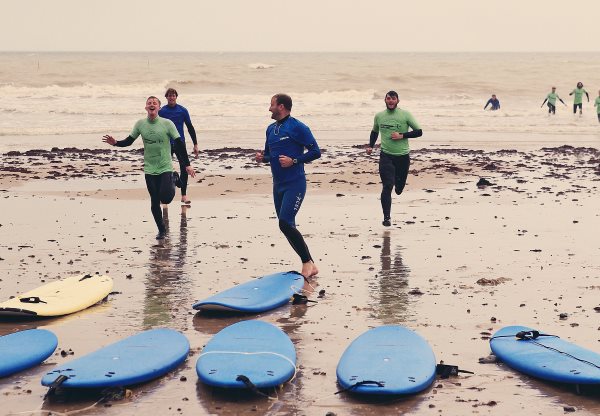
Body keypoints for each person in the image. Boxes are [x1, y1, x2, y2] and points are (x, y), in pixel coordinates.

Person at [102, 96, 195, 240]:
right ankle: (162, 230)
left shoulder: (167, 124)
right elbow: (129, 141)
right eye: (149, 103)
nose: (152, 105)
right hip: (149, 168)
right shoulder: (140, 124)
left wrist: (187, 164)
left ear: (159, 107)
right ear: (146, 107)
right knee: (154, 200)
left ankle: (174, 177)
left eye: (154, 103)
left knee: (166, 198)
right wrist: (116, 143)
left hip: (165, 166)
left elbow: (179, 144)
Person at [255, 94, 321, 279]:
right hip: (278, 185)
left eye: (271, 105)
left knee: (285, 222)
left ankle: (307, 263)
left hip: (295, 183)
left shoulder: (298, 127)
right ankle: (310, 264)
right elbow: (269, 156)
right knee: (285, 225)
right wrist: (263, 158)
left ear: (281, 107)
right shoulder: (270, 129)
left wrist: (294, 160)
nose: (269, 108)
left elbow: (316, 152)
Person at [366, 91, 423, 227]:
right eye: (388, 98)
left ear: (398, 101)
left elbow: (419, 131)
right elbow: (374, 131)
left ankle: (399, 186)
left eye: (393, 98)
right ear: (385, 100)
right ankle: (387, 218)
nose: (391, 101)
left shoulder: (405, 114)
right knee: (387, 186)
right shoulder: (379, 116)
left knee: (398, 188)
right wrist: (370, 146)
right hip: (386, 155)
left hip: (403, 157)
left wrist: (402, 135)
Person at [158, 88, 198, 204]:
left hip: (180, 143)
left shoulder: (183, 110)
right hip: (166, 144)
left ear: (176, 97)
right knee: (163, 170)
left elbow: (190, 127)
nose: (171, 97)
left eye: (173, 95)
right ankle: (163, 196)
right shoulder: (162, 111)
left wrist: (195, 144)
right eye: (169, 95)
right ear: (166, 97)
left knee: (185, 168)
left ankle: (184, 195)